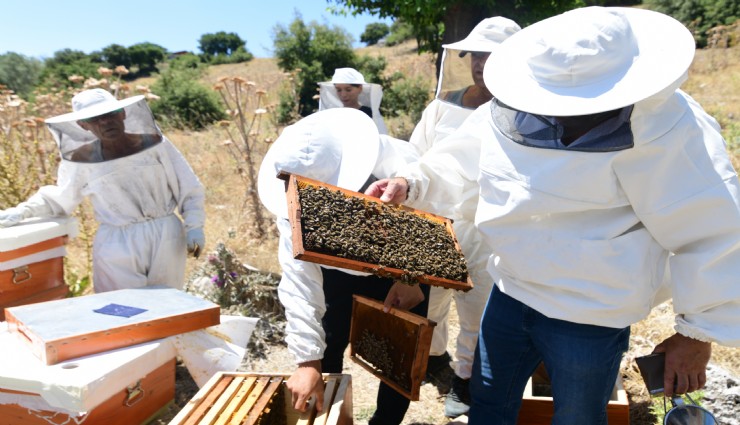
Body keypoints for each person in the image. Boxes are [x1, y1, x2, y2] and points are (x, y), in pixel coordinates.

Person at [366, 6, 740, 424]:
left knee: (577, 418)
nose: (563, 114)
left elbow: (713, 229)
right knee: (489, 407)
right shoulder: (509, 109)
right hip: (509, 293)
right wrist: (411, 182)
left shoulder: (669, 126)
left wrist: (697, 333)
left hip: (590, 314)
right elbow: (459, 161)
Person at [258, 108, 427, 425]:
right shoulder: (291, 194)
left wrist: (409, 277)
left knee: (399, 355)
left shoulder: (399, 160)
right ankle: (329, 411)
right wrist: (308, 361)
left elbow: (436, 214)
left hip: (401, 268)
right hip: (336, 271)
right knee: (329, 337)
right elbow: (298, 281)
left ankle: (386, 421)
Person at [407, 16, 520, 419]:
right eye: (476, 54)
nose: (480, 63)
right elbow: (416, 157)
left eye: (491, 56)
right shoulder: (441, 108)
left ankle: (464, 379)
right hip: (435, 223)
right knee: (430, 302)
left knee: (478, 308)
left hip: (486, 229)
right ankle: (433, 359)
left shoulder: (523, 113)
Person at [0, 88, 205, 292]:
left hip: (166, 235)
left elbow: (188, 186)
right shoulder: (81, 159)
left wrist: (194, 226)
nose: (105, 122)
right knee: (123, 310)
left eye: (109, 114)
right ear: (83, 125)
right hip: (116, 243)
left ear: (122, 113)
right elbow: (62, 198)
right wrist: (23, 211)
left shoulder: (156, 144)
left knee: (169, 307)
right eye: (95, 119)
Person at [318, 67, 388, 134]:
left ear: (360, 88)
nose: (343, 94)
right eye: (339, 90)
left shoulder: (368, 114)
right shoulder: (334, 116)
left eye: (348, 90)